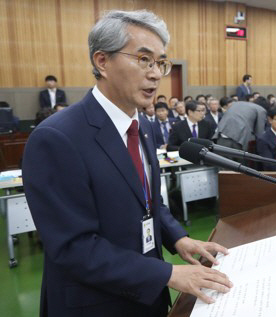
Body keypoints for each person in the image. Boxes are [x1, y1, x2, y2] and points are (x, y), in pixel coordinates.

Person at [22, 10, 232, 317]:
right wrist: (167, 274)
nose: (156, 73)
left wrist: (178, 237)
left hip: (147, 297)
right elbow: (74, 247)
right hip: (96, 304)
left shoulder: (141, 126)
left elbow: (147, 202)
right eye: (143, 59)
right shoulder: (56, 138)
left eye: (160, 62)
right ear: (102, 62)